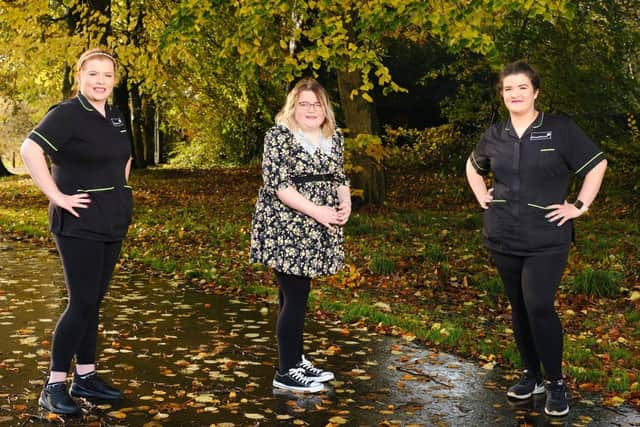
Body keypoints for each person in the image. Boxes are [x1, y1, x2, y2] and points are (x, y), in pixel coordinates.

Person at [465, 61, 607, 417]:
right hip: (502, 235)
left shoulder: (560, 129)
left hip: (546, 237)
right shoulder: (495, 134)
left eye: (522, 88)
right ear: (502, 94)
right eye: (508, 89)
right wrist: (480, 193)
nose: (515, 94)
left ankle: (556, 382)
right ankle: (531, 375)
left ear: (536, 92)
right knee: (518, 306)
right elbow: (472, 165)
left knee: (539, 305)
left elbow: (596, 165)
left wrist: (579, 205)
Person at [20, 48, 133, 415]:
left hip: (112, 220)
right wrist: (56, 195)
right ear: (79, 77)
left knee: (93, 301)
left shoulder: (115, 115)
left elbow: (125, 158)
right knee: (81, 302)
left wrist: (120, 192)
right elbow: (29, 149)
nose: (100, 81)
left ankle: (85, 376)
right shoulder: (67, 114)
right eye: (93, 74)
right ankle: (53, 385)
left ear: (114, 80)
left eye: (107, 75)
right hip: (79, 222)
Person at [250, 78, 351, 393]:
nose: (311, 109)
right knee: (295, 295)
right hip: (286, 223)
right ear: (293, 107)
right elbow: (280, 186)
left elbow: (338, 175)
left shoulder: (332, 136)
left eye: (316, 104)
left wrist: (345, 201)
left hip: (317, 226)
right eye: (304, 103)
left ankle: (295, 359)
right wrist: (318, 211)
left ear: (325, 108)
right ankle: (286, 371)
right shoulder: (279, 136)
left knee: (292, 294)